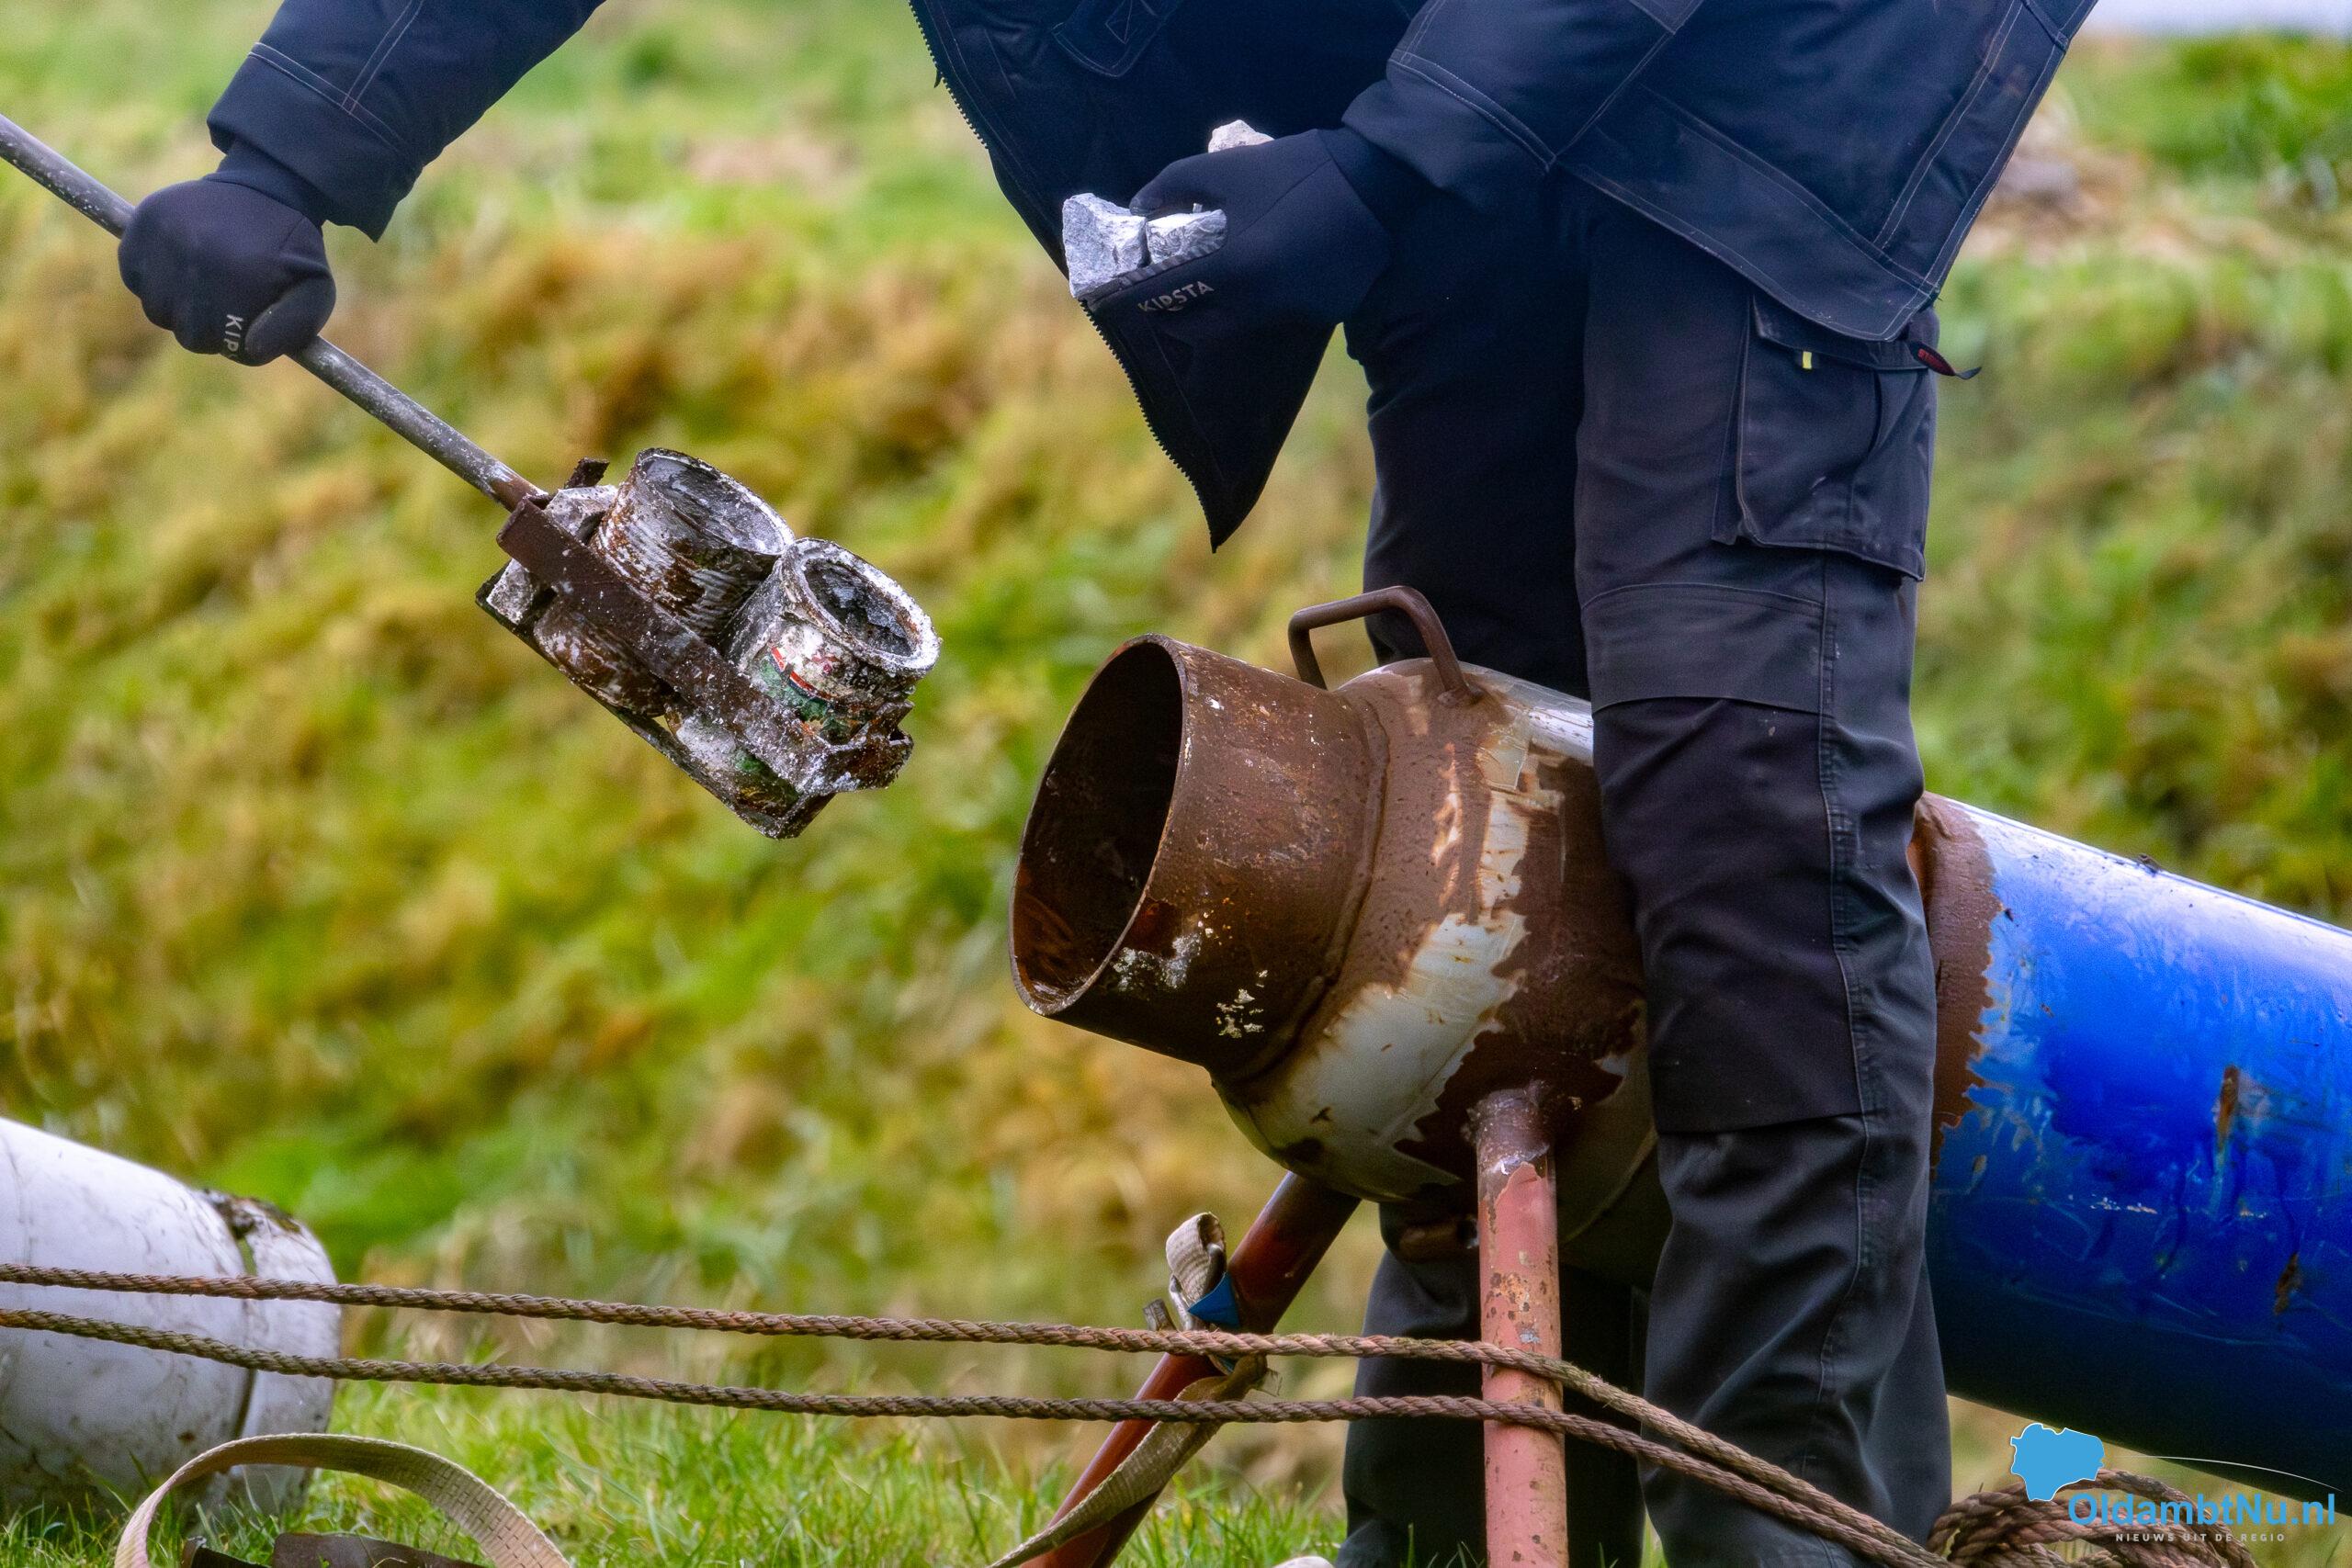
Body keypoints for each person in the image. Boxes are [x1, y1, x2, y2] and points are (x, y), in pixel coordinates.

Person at [117, 0, 2089, 1561]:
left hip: (1785, 69)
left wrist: (1390, 159)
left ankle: (1801, 1539)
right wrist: (295, 151)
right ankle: (1452, 1529)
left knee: (1731, 801)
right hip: (1457, 78)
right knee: (1475, 821)